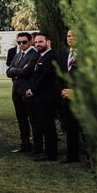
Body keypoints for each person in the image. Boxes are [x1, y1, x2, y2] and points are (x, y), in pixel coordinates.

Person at [26, 33, 61, 161]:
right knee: (44, 124)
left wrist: (32, 90)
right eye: (35, 43)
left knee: (48, 125)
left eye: (40, 42)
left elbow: (45, 78)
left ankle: (50, 153)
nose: (37, 45)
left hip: (47, 97)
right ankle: (47, 151)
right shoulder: (41, 57)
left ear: (48, 42)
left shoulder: (51, 57)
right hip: (41, 97)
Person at [5, 32, 39, 153]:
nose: (21, 45)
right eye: (18, 42)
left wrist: (15, 71)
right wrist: (17, 70)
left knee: (33, 119)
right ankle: (25, 144)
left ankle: (37, 146)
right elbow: (8, 71)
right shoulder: (18, 54)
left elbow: (28, 71)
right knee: (21, 119)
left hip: (27, 90)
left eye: (24, 42)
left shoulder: (34, 54)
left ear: (30, 41)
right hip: (16, 91)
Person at [60, 29, 81, 163]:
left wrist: (75, 91)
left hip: (80, 97)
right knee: (70, 126)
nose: (70, 38)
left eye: (73, 35)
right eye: (68, 35)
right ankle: (71, 155)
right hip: (65, 97)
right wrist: (63, 90)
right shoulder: (65, 54)